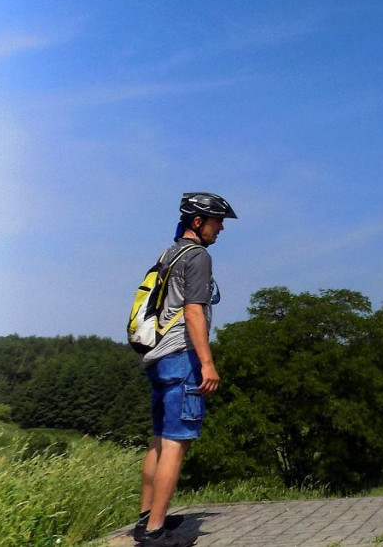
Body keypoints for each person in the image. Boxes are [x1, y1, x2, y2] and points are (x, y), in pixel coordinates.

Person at [134, 192, 236, 547]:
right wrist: (207, 363)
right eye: (217, 221)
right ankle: (154, 533)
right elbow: (193, 312)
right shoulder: (198, 257)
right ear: (198, 222)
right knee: (176, 443)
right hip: (182, 357)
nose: (221, 228)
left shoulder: (168, 254)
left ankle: (146, 518)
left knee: (160, 440)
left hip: (158, 357)